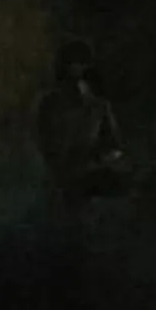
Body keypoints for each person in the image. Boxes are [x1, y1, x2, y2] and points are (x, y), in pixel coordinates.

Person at [34, 42, 125, 207]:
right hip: (61, 181)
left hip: (90, 179)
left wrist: (101, 160)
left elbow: (112, 145)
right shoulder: (49, 105)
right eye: (72, 66)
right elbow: (45, 143)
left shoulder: (98, 107)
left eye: (80, 66)